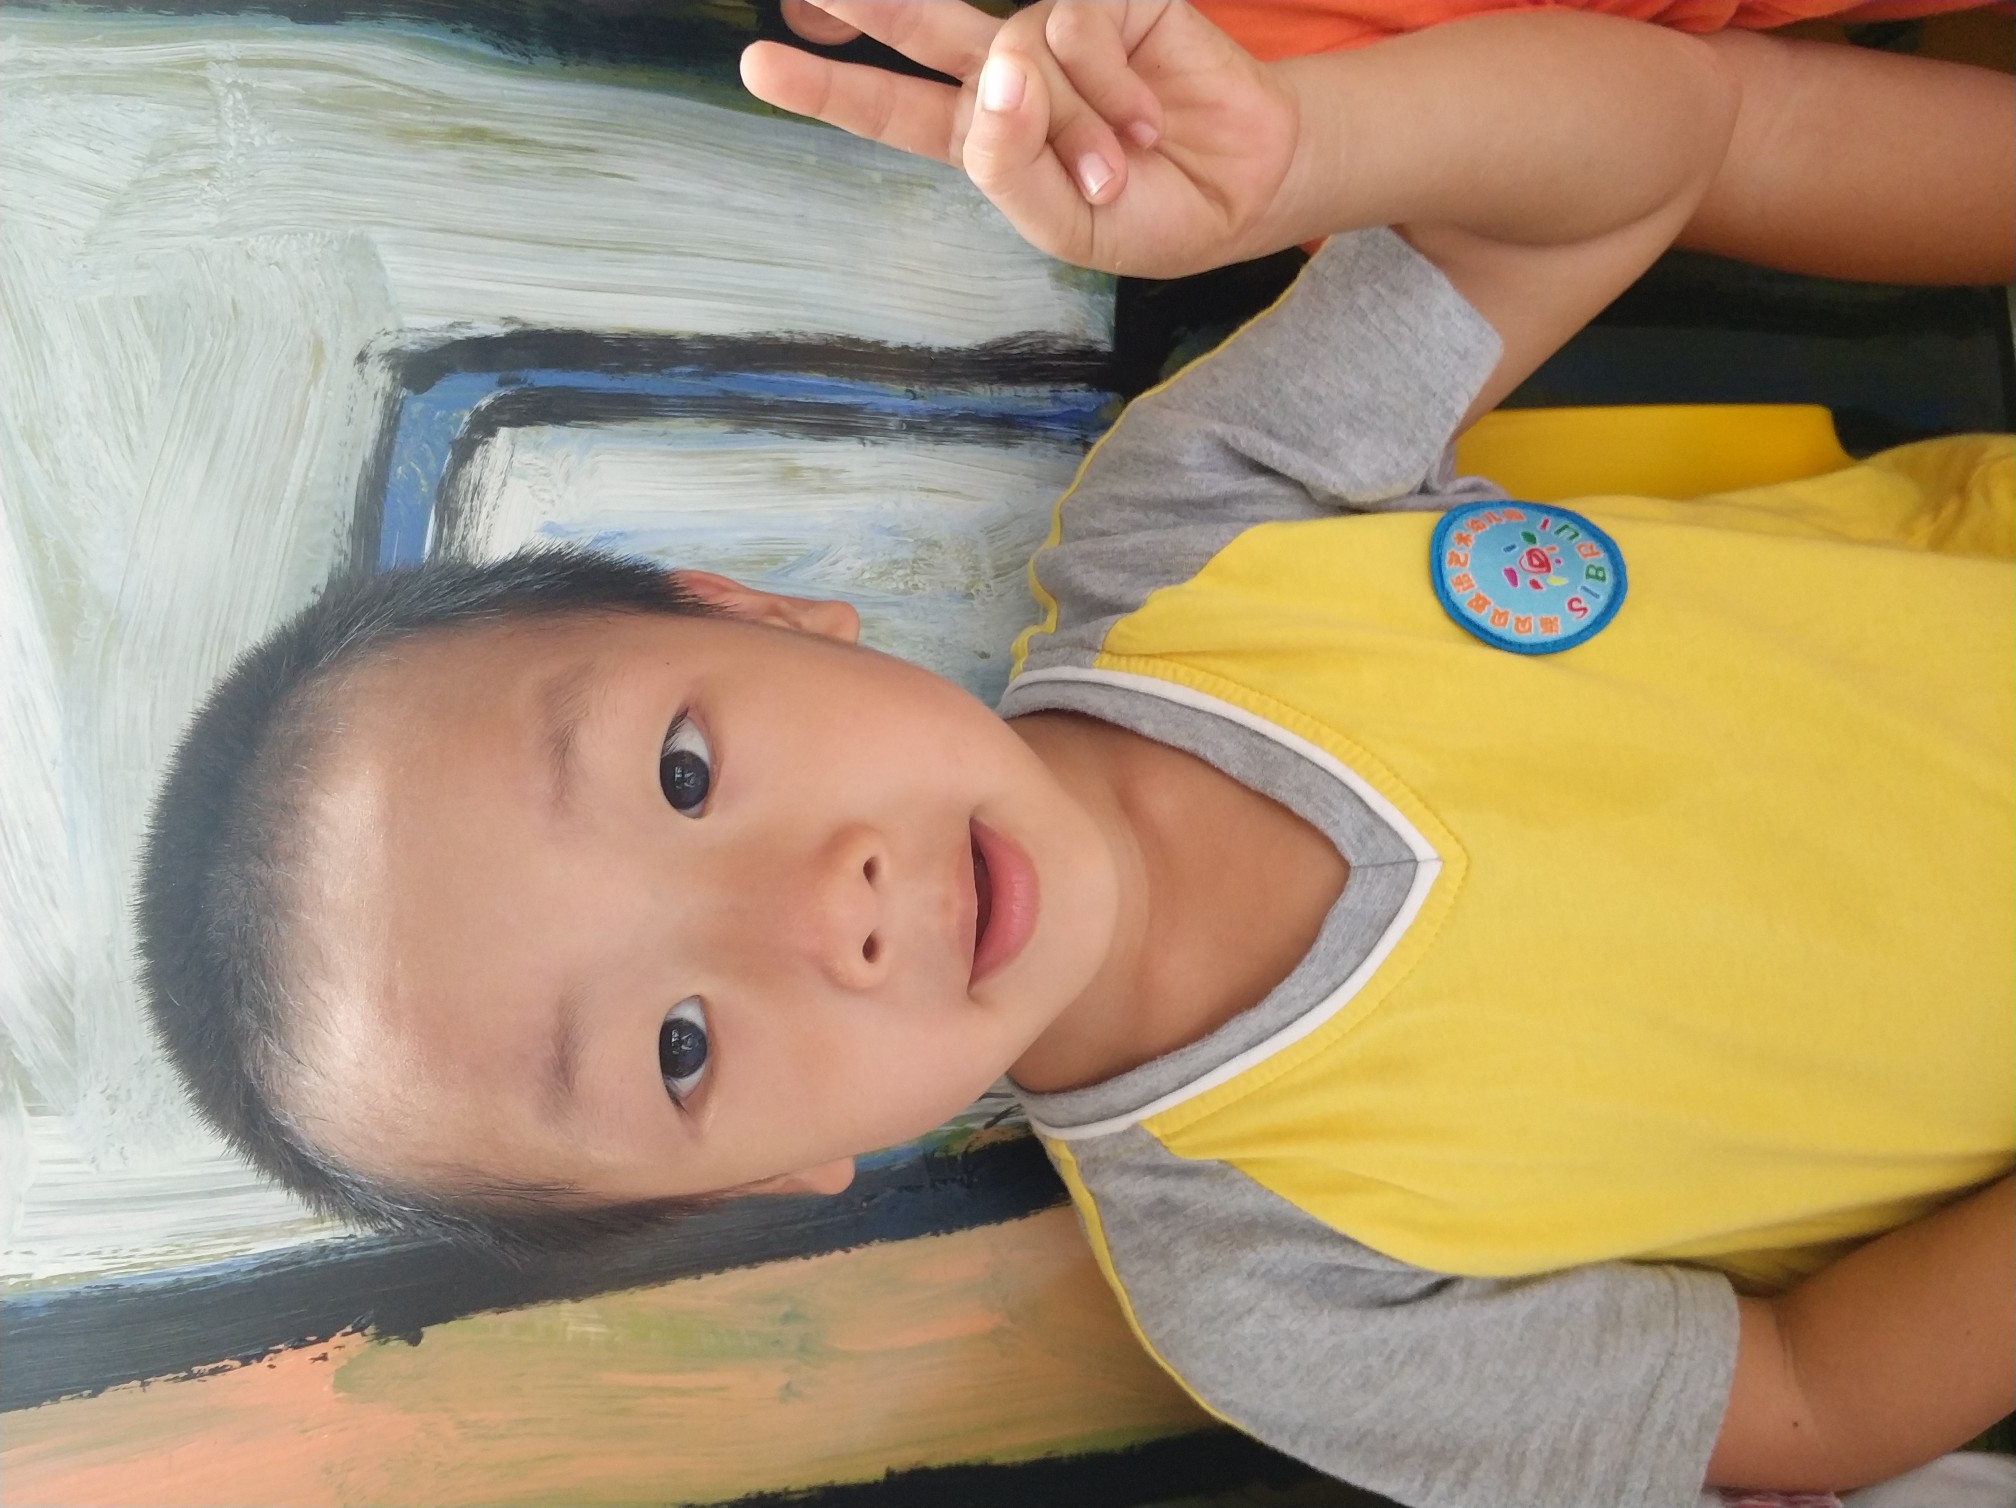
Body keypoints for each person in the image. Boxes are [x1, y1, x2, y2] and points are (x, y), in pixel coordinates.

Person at [136, 5, 2014, 1505]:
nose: (828, 909)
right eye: (681, 1047)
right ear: (779, 1176)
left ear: (754, 614)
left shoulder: (1195, 519)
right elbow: (1808, 1400)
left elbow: (1646, 155)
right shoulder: (1268, 1302)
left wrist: (1319, 155)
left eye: (686, 776)